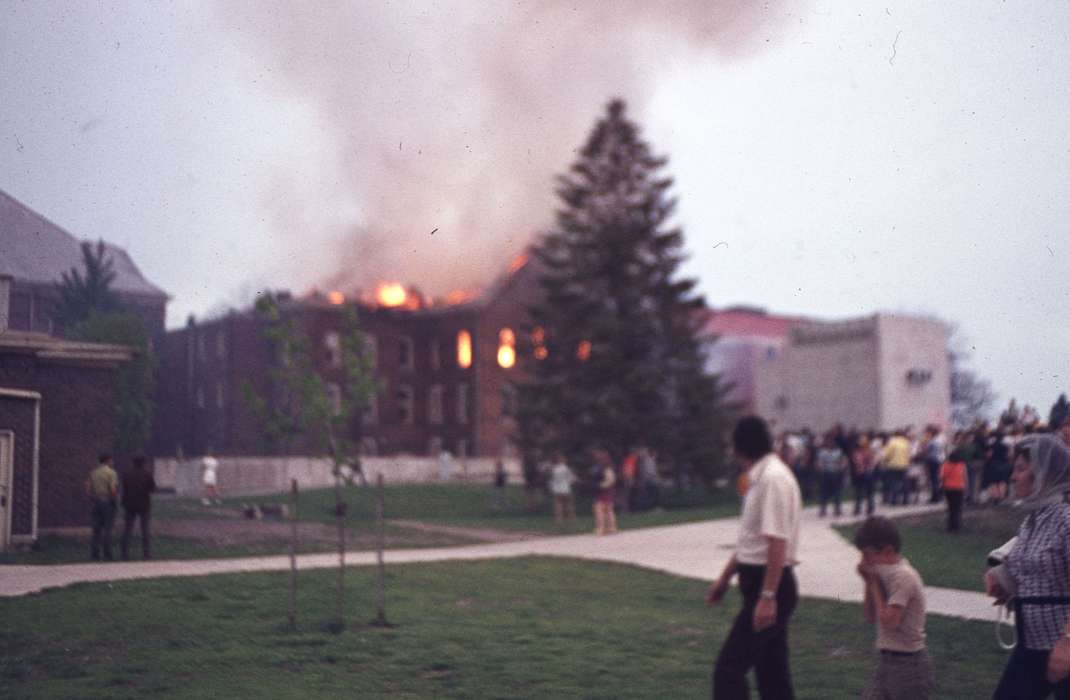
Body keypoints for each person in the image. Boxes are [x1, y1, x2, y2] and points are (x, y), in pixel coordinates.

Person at [707, 415, 802, 699]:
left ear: (740, 447)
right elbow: (752, 542)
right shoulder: (762, 477)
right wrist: (725, 579)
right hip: (761, 582)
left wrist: (768, 596)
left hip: (770, 584)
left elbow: (777, 542)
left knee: (728, 671)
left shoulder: (772, 478)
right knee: (772, 675)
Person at [985, 435, 1070, 699]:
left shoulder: (1066, 520)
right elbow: (1033, 568)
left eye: (1021, 469)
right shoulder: (1032, 521)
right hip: (1030, 645)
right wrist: (1004, 583)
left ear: (1043, 475)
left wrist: (1067, 645)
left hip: (1061, 647)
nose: (1012, 477)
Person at [854, 516, 934, 699]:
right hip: (886, 660)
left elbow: (890, 622)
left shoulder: (903, 577)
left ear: (888, 551)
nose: (863, 561)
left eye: (867, 555)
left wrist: (873, 581)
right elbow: (870, 616)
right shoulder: (884, 574)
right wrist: (869, 581)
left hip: (909, 665)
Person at [121, 455, 157, 560]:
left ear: (133, 463)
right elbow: (153, 489)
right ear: (143, 463)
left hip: (129, 504)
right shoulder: (147, 474)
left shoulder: (127, 474)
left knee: (127, 530)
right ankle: (146, 554)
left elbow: (125, 488)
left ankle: (125, 554)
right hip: (144, 504)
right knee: (145, 529)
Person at [86, 453, 119, 561]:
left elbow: (88, 490)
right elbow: (113, 490)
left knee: (96, 530)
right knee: (107, 529)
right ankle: (107, 554)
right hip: (107, 502)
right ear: (108, 461)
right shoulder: (111, 473)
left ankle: (95, 554)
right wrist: (114, 501)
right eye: (112, 460)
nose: (113, 462)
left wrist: (93, 498)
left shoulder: (93, 473)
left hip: (96, 503)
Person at [816, 434, 846, 518]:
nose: (830, 443)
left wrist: (841, 467)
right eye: (828, 441)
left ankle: (837, 509)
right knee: (823, 492)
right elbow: (819, 462)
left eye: (831, 442)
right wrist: (820, 468)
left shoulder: (838, 451)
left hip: (835, 473)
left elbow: (843, 460)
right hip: (825, 473)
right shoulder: (822, 452)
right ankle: (823, 509)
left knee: (837, 492)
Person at [939, 449, 966, 532]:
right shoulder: (962, 465)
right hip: (959, 488)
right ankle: (957, 525)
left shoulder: (945, 465)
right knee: (957, 508)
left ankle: (950, 526)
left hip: (948, 488)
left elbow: (942, 476)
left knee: (951, 508)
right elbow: (964, 476)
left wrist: (942, 485)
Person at [882, 430, 911, 505]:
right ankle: (906, 499)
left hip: (893, 465)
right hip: (904, 465)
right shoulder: (906, 442)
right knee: (904, 482)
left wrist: (884, 461)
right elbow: (909, 454)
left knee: (894, 482)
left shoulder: (892, 442)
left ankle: (894, 500)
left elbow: (887, 454)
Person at [592, 450, 617, 535]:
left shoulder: (605, 468)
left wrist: (601, 486)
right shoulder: (600, 467)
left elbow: (611, 480)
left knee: (601, 509)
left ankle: (602, 528)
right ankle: (610, 528)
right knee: (607, 510)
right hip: (603, 490)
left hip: (604, 490)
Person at [549, 452, 577, 525]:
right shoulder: (566, 468)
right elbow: (572, 479)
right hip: (566, 488)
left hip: (557, 489)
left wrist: (552, 487)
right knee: (569, 504)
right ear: (563, 460)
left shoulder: (554, 469)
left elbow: (552, 480)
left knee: (558, 505)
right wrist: (574, 480)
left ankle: (559, 519)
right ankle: (571, 518)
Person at [852, 435, 877, 516]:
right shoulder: (869, 452)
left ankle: (860, 508)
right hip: (866, 473)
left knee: (861, 491)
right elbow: (872, 462)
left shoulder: (858, 452)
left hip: (862, 473)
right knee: (866, 491)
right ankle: (867, 508)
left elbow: (857, 462)